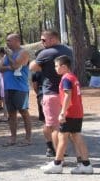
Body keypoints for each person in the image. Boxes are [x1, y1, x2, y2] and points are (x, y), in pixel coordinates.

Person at [41, 54, 91, 174]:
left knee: (62, 137)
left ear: (64, 66)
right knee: (76, 137)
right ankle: (86, 165)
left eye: (56, 66)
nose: (55, 68)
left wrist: (62, 112)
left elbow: (68, 95)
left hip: (70, 113)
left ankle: (57, 164)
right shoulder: (73, 77)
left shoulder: (66, 79)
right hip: (77, 113)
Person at [31, 29, 75, 159]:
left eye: (44, 40)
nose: (42, 42)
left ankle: (57, 155)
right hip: (67, 92)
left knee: (52, 125)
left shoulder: (46, 52)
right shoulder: (69, 50)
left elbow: (32, 67)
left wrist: (42, 64)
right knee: (65, 124)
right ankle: (69, 154)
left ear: (53, 39)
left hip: (51, 93)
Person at [0, 33, 32, 146]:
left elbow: (16, 65)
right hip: (8, 87)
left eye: (9, 40)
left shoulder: (24, 53)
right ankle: (13, 138)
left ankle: (28, 138)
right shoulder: (7, 55)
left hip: (20, 88)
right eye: (6, 41)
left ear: (17, 40)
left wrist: (9, 59)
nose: (7, 43)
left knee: (24, 112)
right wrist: (9, 67)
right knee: (11, 114)